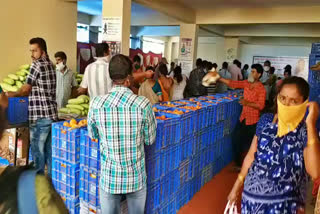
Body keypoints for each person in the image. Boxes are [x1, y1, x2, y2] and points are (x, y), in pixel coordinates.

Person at [227, 76, 320, 213]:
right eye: (282, 98)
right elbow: (251, 156)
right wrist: (236, 188)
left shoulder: (305, 132)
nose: (286, 105)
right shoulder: (266, 121)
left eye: (293, 101)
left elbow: (315, 171)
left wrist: (311, 123)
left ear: (304, 103)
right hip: (251, 201)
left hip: (283, 207)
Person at [87, 54, 157, 214]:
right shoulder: (143, 104)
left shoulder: (96, 104)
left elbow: (93, 135)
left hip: (109, 177)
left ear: (111, 77)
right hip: (136, 178)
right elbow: (150, 140)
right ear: (128, 78)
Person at [0, 92, 68, 214]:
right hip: (49, 117)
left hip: (40, 119)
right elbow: (6, 98)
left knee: (41, 152)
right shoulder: (35, 191)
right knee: (45, 152)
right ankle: (44, 172)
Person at [7, 37, 57, 176]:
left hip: (39, 117)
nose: (32, 54)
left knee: (37, 153)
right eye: (31, 51)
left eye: (35, 50)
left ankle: (38, 184)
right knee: (49, 152)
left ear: (43, 50)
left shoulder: (37, 65)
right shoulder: (51, 65)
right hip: (51, 115)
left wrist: (11, 94)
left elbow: (26, 89)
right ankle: (51, 184)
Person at [218, 64, 266, 168]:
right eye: (251, 71)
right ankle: (239, 164)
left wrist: (247, 103)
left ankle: (252, 166)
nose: (251, 74)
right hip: (243, 117)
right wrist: (219, 78)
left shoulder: (261, 89)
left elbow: (261, 106)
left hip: (253, 121)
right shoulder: (246, 83)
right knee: (236, 139)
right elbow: (233, 83)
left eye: (253, 72)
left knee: (251, 145)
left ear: (259, 74)